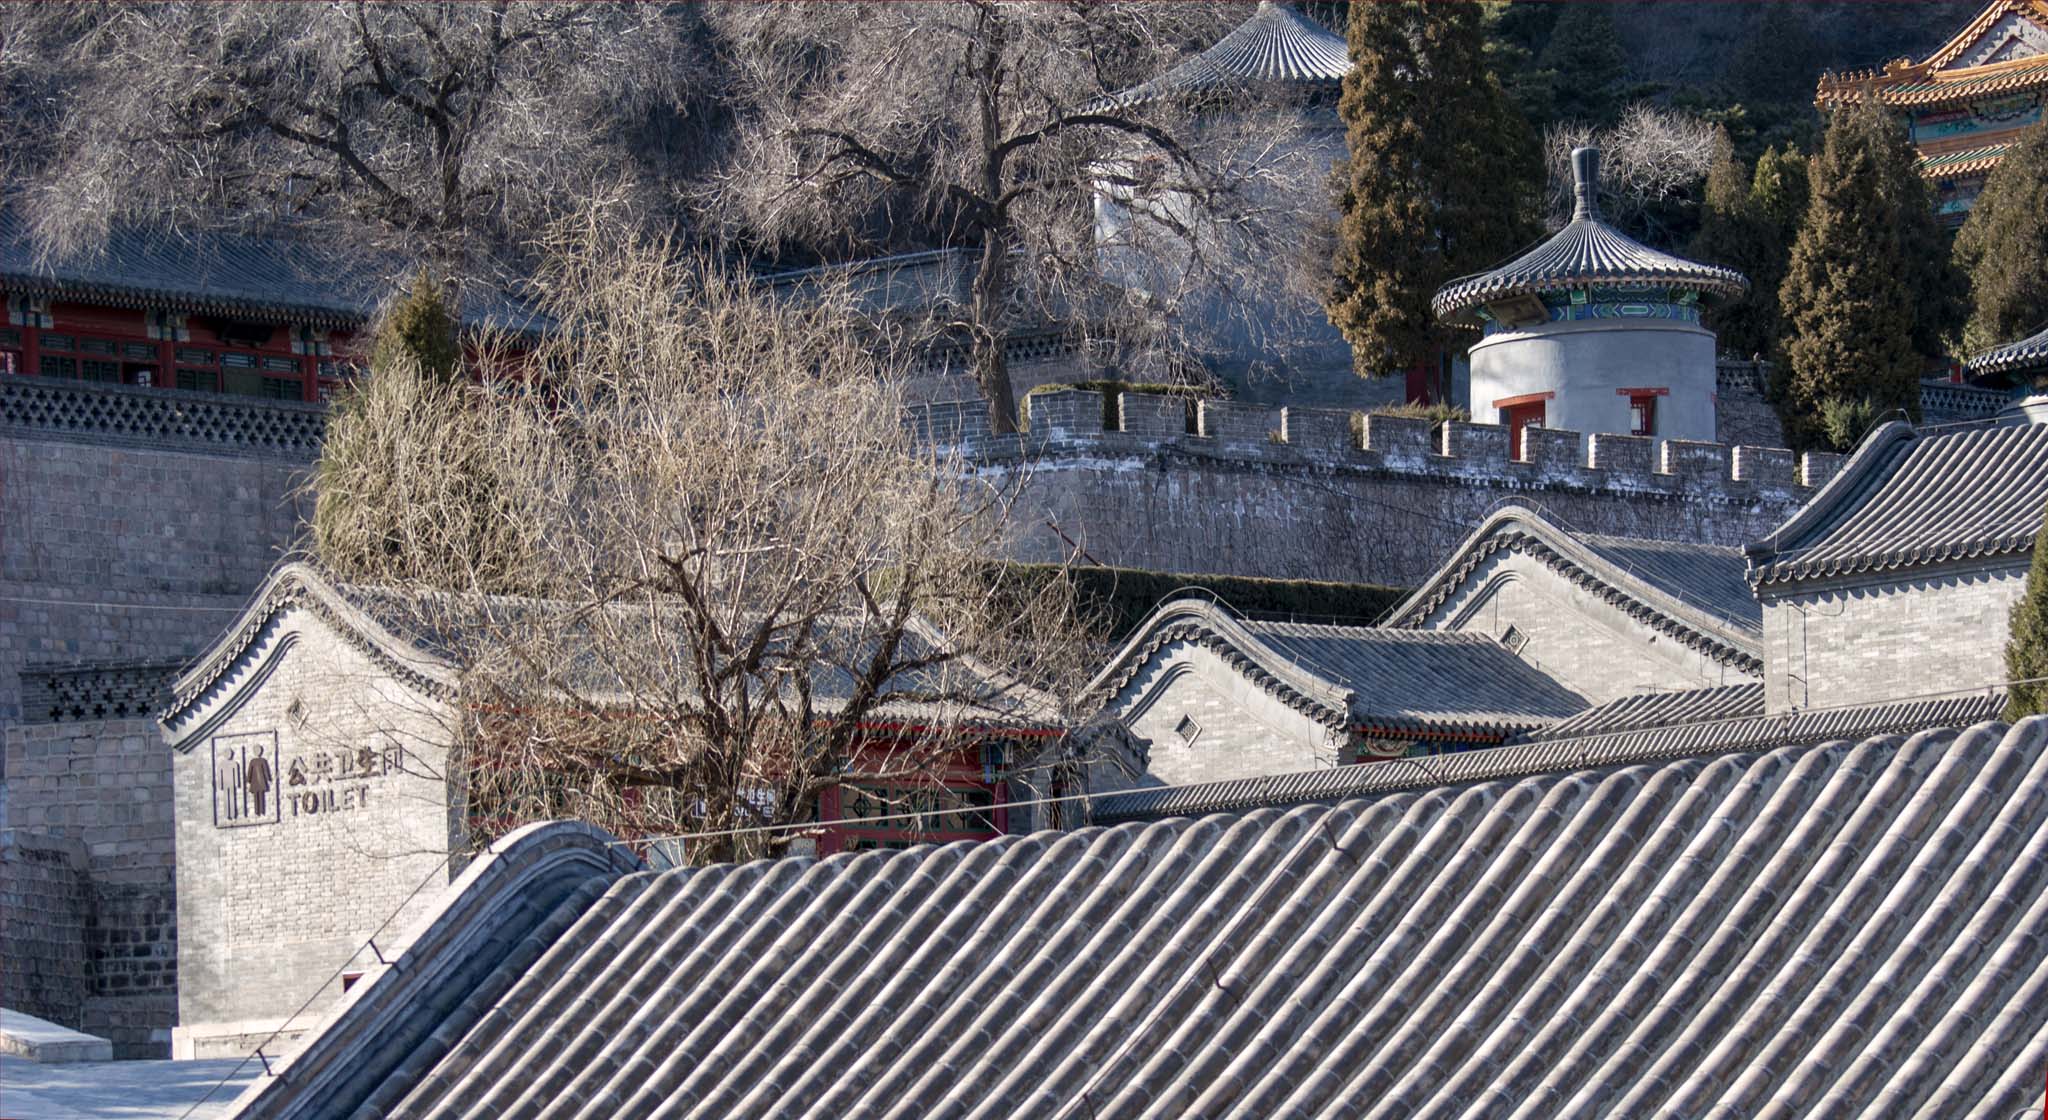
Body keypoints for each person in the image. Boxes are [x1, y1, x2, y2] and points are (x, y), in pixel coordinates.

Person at [245, 744, 275, 817]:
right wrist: (268, 778)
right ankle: (260, 810)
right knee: (259, 796)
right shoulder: (261, 761)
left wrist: (248, 780)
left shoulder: (255, 761)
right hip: (260, 782)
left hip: (255, 782)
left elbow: (250, 772)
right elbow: (264, 771)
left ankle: (258, 811)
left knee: (258, 796)